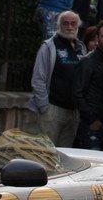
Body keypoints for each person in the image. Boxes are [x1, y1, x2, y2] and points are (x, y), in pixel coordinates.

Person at [27, 10, 86, 146]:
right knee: (47, 151)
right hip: (52, 108)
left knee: (65, 152)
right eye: (66, 23)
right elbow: (38, 78)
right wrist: (44, 107)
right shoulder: (49, 46)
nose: (70, 27)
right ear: (59, 26)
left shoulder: (80, 48)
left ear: (78, 26)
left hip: (73, 111)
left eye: (73, 24)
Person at [73, 18, 103, 150]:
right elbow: (77, 93)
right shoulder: (87, 61)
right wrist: (91, 119)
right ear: (98, 38)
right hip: (92, 125)